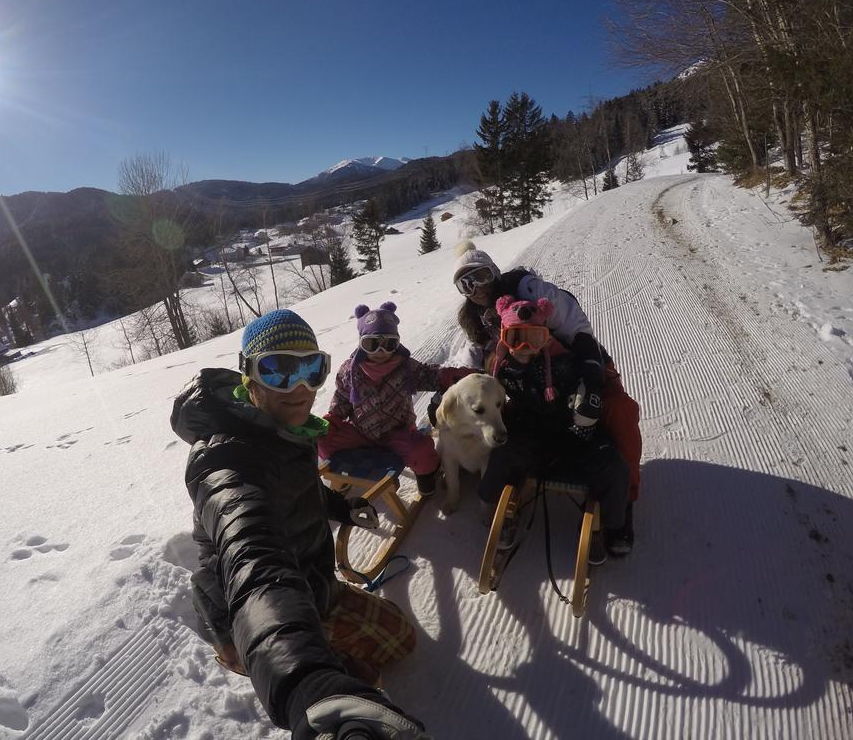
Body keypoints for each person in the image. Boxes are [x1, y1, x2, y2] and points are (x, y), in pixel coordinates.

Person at [170, 309, 430, 740]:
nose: (300, 388)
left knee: (398, 640)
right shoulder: (227, 461)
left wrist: (339, 507)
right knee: (396, 643)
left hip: (306, 580)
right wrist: (308, 684)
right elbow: (253, 559)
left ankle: (329, 649)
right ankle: (299, 657)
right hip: (254, 608)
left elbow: (296, 485)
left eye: (312, 369)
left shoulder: (282, 428)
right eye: (278, 370)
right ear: (248, 376)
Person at [450, 240, 641, 556]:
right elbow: (472, 363)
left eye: (481, 275)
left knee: (618, 414)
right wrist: (454, 392)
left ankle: (622, 504)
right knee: (507, 440)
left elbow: (576, 325)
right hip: (529, 396)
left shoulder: (527, 288)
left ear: (494, 272)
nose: (475, 287)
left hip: (574, 362)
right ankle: (502, 499)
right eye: (465, 283)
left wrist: (591, 375)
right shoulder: (478, 320)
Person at [484, 295, 630, 564]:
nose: (525, 347)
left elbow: (587, 383)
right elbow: (479, 390)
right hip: (530, 433)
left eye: (534, 338)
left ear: (546, 337)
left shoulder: (564, 363)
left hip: (571, 433)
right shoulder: (499, 368)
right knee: (502, 455)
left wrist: (586, 405)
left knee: (612, 464)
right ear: (504, 339)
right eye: (517, 339)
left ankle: (613, 525)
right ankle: (499, 510)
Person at [318, 302, 476, 498]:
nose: (380, 350)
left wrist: (450, 376)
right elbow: (342, 398)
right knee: (322, 438)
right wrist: (332, 420)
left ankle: (427, 483)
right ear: (361, 343)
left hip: (397, 433)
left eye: (389, 344)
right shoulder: (350, 371)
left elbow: (429, 375)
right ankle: (340, 479)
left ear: (397, 344)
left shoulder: (404, 367)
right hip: (361, 432)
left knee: (423, 452)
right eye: (371, 343)